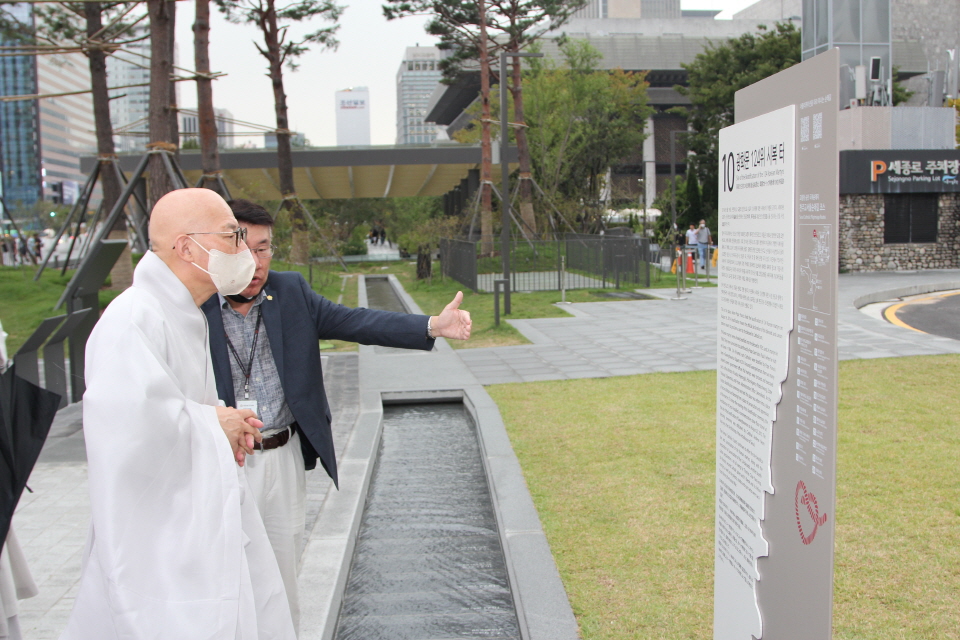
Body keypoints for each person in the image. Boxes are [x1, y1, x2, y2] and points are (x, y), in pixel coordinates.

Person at [201, 199, 472, 633]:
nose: (254, 262)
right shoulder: (195, 306)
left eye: (264, 249)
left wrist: (430, 327)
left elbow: (357, 321)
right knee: (225, 578)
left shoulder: (290, 292)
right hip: (221, 461)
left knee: (281, 578)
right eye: (243, 249)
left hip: (281, 456)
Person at [62, 189, 296, 639]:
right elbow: (128, 432)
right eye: (232, 237)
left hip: (196, 517)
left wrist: (221, 424)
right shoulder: (133, 318)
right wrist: (213, 425)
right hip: (158, 540)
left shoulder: (182, 313)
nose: (244, 252)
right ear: (187, 247)